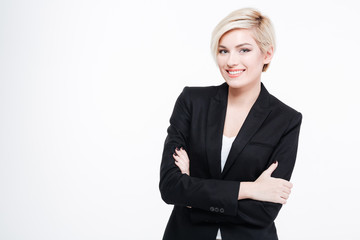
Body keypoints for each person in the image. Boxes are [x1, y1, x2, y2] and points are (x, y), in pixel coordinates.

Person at [159, 7, 302, 240]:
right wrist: (249, 189)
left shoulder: (286, 120)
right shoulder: (192, 102)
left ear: (267, 54)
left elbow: (264, 211)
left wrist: (191, 198)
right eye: (223, 51)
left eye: (244, 50)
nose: (231, 61)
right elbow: (170, 187)